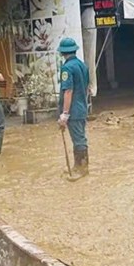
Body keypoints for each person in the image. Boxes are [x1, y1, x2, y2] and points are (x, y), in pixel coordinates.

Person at [57, 37, 90, 176]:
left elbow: (68, 91)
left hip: (73, 110)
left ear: (62, 53)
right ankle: (78, 166)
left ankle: (82, 168)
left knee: (78, 139)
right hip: (81, 107)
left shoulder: (67, 68)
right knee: (80, 137)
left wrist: (65, 113)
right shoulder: (83, 65)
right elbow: (87, 87)